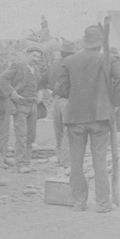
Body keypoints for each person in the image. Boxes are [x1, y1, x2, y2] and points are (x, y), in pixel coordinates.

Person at [55, 25, 120, 212]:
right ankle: (103, 203)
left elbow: (61, 90)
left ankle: (79, 202)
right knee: (100, 161)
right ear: (100, 43)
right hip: (100, 117)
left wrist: (75, 96)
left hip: (75, 118)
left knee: (76, 162)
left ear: (85, 41)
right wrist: (113, 102)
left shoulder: (69, 60)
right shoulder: (108, 60)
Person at [0, 45, 43, 173]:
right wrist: (12, 93)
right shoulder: (18, 66)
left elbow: (38, 83)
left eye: (38, 57)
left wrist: (40, 92)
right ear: (27, 55)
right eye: (33, 56)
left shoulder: (36, 69)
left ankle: (27, 162)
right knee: (21, 135)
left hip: (33, 104)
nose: (36, 59)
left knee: (31, 136)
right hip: (21, 104)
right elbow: (2, 79)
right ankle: (20, 163)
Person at [41, 40, 75, 168]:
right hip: (68, 101)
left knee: (58, 131)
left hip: (55, 101)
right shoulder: (73, 65)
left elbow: (42, 82)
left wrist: (49, 95)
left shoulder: (54, 66)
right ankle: (67, 161)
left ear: (61, 53)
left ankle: (60, 157)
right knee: (68, 131)